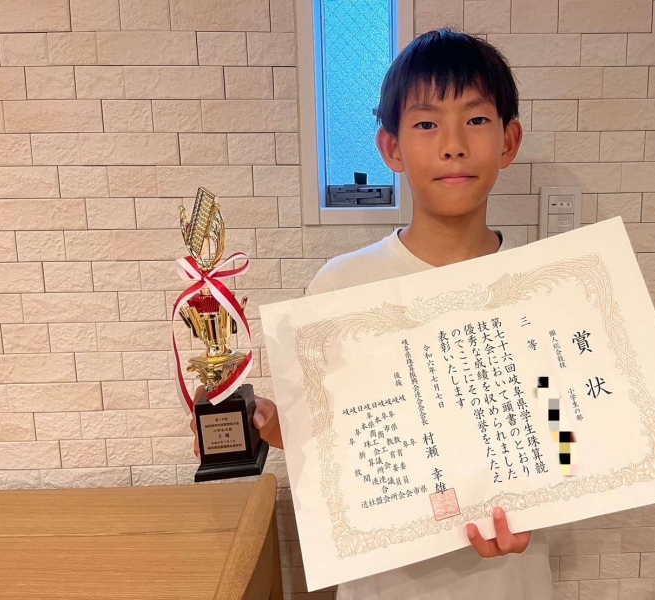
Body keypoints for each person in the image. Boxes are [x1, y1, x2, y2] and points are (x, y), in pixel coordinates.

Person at [191, 28, 553, 600]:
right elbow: (325, 440)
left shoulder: (547, 288)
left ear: (508, 141)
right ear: (391, 148)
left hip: (510, 582)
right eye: (426, 124)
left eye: (477, 119)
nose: (453, 144)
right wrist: (255, 425)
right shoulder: (340, 285)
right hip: (384, 584)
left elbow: (567, 433)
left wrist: (548, 500)